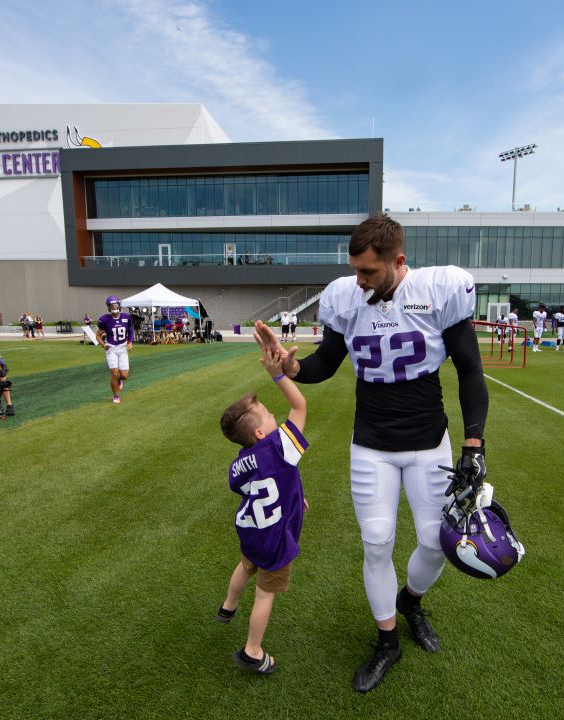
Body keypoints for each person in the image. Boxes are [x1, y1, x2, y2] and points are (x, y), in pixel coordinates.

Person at [253, 214, 489, 693]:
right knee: (377, 542)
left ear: (397, 262)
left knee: (434, 541)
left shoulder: (438, 290)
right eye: (355, 271)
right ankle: (387, 642)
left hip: (428, 442)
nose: (358, 281)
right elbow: (325, 363)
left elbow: (469, 370)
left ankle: (411, 601)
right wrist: (290, 365)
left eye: (368, 273)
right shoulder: (347, 297)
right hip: (372, 444)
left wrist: (474, 443)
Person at [215, 338, 311, 676]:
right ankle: (252, 650)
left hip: (251, 530)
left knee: (245, 566)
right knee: (265, 594)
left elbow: (248, 487)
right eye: (270, 415)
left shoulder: (239, 462)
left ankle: (228, 605)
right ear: (259, 431)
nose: (275, 416)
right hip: (275, 539)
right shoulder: (278, 446)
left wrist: (296, 498)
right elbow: (300, 408)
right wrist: (278, 376)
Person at [96, 295, 134, 404]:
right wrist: (103, 345)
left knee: (124, 376)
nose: (114, 307)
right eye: (111, 306)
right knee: (114, 372)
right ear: (108, 307)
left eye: (115, 305)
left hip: (122, 348)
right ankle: (116, 396)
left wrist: (130, 342)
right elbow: (98, 335)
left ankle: (119, 380)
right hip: (111, 349)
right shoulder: (105, 319)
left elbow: (130, 331)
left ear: (119, 305)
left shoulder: (126, 317)